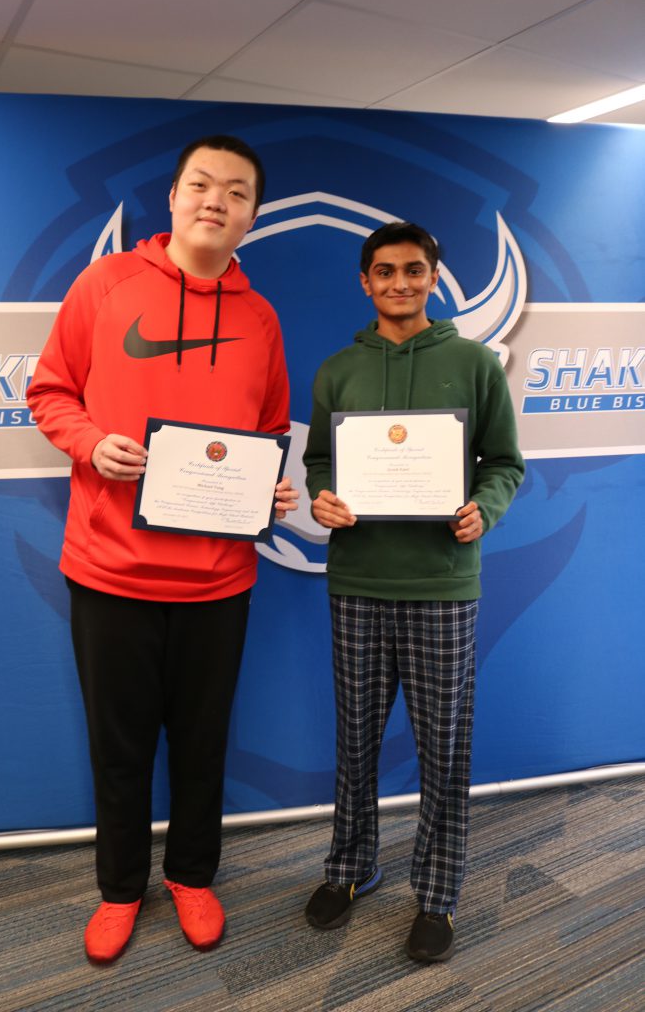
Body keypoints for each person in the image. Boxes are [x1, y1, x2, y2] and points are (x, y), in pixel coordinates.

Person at [27, 135, 298, 963]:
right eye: (202, 185)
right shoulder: (105, 283)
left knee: (202, 739)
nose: (216, 201)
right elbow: (48, 390)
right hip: (110, 569)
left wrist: (269, 491)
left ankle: (191, 875)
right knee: (120, 744)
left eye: (237, 192)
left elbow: (267, 431)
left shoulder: (260, 315)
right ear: (173, 198)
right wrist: (88, 443)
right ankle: (119, 889)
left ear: (253, 214)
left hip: (218, 581)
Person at [302, 221, 524, 963]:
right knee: (355, 739)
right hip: (357, 581)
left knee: (442, 749)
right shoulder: (337, 369)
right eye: (384, 271)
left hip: (441, 586)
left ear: (435, 276)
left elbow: (504, 464)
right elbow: (319, 462)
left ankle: (437, 896)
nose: (399, 282)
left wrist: (480, 509)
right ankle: (349, 869)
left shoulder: (473, 364)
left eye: (413, 270)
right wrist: (324, 497)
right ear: (363, 282)